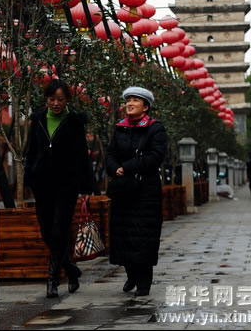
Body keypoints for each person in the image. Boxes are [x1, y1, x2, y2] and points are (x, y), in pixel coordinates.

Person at [24, 79, 94, 298]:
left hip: (67, 184)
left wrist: (87, 186)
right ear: (46, 99)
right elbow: (31, 150)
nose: (56, 103)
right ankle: (71, 270)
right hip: (43, 184)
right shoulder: (37, 120)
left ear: (67, 100)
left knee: (59, 229)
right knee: (46, 230)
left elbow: (82, 155)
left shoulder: (74, 122)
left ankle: (52, 279)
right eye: (52, 99)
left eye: (60, 99)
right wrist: (30, 176)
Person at [106, 86, 167, 297]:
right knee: (123, 235)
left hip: (145, 192)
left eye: (135, 100)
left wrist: (128, 167)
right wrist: (114, 168)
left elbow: (155, 156)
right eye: (128, 100)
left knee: (144, 236)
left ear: (146, 106)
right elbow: (111, 154)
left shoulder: (155, 128)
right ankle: (130, 273)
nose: (129, 103)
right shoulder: (120, 128)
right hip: (123, 190)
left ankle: (144, 281)